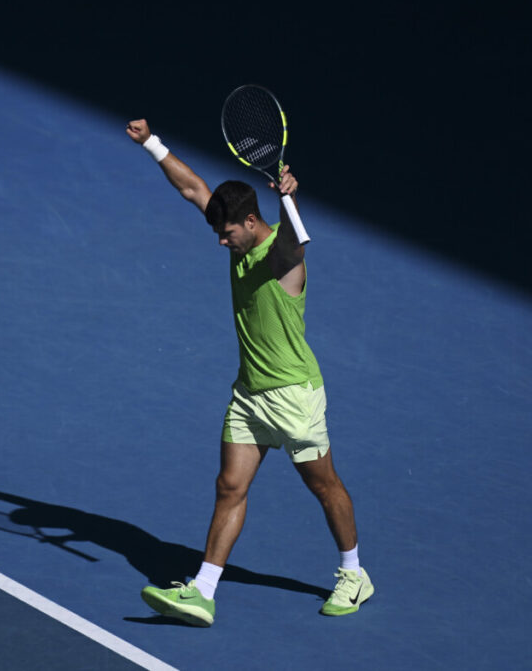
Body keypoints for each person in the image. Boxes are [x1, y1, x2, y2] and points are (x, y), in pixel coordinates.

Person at [127, 119, 373, 627]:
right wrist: (152, 142)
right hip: (250, 395)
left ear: (252, 221)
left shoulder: (281, 258)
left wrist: (289, 197)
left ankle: (354, 574)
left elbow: (296, 242)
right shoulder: (237, 233)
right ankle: (203, 592)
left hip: (294, 398)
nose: (221, 242)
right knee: (229, 486)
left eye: (227, 233)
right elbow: (194, 189)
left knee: (324, 486)